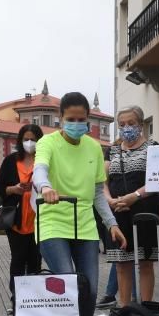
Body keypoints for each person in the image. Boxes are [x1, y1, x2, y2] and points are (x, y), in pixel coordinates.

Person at [33, 91, 126, 299]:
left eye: (81, 120)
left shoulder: (94, 147)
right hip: (53, 222)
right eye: (70, 119)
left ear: (88, 119)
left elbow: (98, 192)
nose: (76, 124)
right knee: (68, 287)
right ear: (61, 118)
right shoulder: (47, 142)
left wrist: (112, 223)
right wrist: (45, 187)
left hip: (85, 225)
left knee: (89, 291)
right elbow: (39, 170)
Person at [105, 105, 159, 306]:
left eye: (131, 123)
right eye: (122, 124)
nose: (126, 127)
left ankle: (145, 308)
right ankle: (124, 309)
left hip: (144, 211)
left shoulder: (153, 147)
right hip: (118, 212)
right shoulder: (111, 150)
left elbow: (158, 180)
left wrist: (135, 196)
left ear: (140, 124)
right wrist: (110, 200)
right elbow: (102, 181)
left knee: (146, 263)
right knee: (122, 263)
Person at [0, 123, 44, 310]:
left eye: (33, 139)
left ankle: (33, 300)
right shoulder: (10, 161)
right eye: (26, 139)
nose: (29, 142)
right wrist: (13, 189)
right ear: (20, 141)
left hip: (38, 219)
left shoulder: (44, 160)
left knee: (35, 260)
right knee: (17, 259)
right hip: (15, 219)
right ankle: (16, 299)